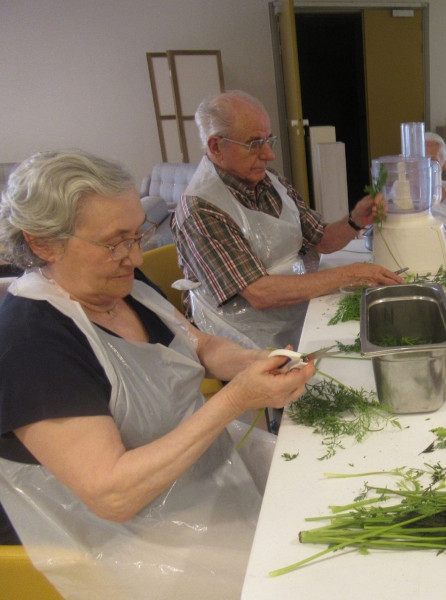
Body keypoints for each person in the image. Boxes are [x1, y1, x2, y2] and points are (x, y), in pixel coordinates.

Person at [0, 150, 316, 599]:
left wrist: (251, 361)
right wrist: (235, 400)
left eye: (137, 235)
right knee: (291, 578)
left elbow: (199, 344)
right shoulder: (31, 345)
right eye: (115, 242)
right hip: (120, 538)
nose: (133, 255)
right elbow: (113, 496)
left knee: (310, 493)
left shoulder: (120, 282)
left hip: (195, 476)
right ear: (42, 243)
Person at [172, 90, 404, 351]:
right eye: (254, 143)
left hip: (289, 313)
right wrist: (349, 274)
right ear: (216, 147)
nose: (269, 154)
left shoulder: (269, 181)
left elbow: (321, 239)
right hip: (237, 339)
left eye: (268, 139)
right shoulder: (201, 209)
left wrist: (354, 221)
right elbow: (260, 292)